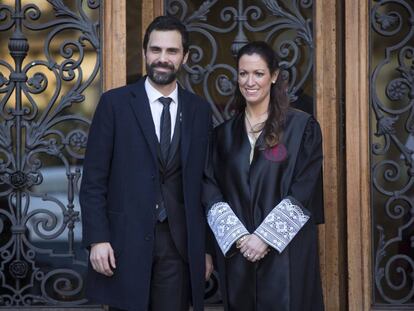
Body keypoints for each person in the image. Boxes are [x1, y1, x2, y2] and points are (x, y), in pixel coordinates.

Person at [80, 16, 214, 311]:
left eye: (172, 51)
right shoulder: (114, 104)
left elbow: (204, 184)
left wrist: (204, 249)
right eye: (156, 50)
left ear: (185, 57)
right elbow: (93, 180)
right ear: (144, 53)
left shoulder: (199, 111)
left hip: (178, 246)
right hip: (123, 241)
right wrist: (97, 238)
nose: (162, 59)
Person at [203, 41, 324, 311]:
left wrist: (265, 237)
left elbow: (306, 187)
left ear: (274, 76)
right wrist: (241, 238)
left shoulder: (301, 128)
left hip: (286, 254)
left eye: (258, 73)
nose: (250, 81)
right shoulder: (223, 135)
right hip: (239, 251)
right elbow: (210, 186)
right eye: (243, 73)